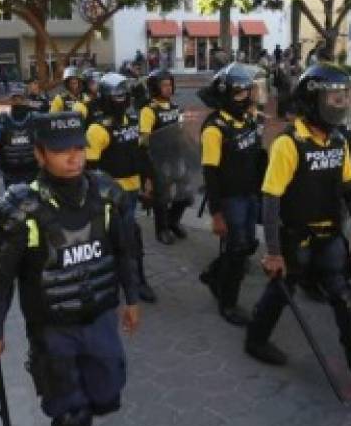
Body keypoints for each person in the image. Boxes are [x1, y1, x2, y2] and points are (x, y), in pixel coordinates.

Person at [0, 111, 141, 426]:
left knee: (106, 397)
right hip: (53, 329)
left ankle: (80, 424)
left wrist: (133, 298)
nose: (73, 158)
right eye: (60, 150)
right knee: (71, 416)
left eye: (78, 148)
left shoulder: (106, 194)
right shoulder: (19, 209)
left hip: (100, 319)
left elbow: (125, 251)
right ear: (39, 154)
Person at [243, 62, 351, 398]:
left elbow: (349, 189)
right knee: (280, 293)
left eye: (343, 96)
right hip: (295, 239)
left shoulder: (338, 141)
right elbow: (271, 201)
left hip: (330, 237)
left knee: (347, 301)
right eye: (333, 97)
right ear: (312, 100)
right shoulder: (289, 145)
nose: (340, 103)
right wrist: (272, 253)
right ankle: (256, 340)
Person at [197, 64, 264, 325]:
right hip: (230, 199)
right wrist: (216, 214)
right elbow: (210, 174)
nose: (245, 98)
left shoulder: (247, 119)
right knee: (237, 250)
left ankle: (213, 274)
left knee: (245, 245)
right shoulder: (214, 128)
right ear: (225, 94)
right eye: (239, 94)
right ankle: (228, 304)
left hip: (249, 194)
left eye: (247, 92)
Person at [85, 74, 156, 302]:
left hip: (133, 189)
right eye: (116, 94)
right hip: (110, 196)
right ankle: (126, 284)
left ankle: (137, 280)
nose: (121, 98)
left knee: (131, 238)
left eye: (124, 94)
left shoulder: (133, 122)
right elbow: (90, 168)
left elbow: (142, 154)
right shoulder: (97, 129)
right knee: (122, 239)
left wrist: (148, 180)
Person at [139, 69, 190, 245]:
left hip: (177, 156)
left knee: (186, 193)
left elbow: (181, 130)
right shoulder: (149, 110)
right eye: (164, 85)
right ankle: (162, 229)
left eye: (170, 85)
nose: (168, 88)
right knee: (162, 196)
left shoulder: (175, 108)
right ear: (154, 88)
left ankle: (173, 221)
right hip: (159, 159)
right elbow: (145, 139)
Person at [0, 90, 40, 189]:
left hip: (33, 173)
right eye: (14, 99)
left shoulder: (36, 120)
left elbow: (47, 146)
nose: (18, 102)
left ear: (27, 101)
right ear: (10, 101)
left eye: (21, 99)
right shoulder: (1, 121)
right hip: (9, 174)